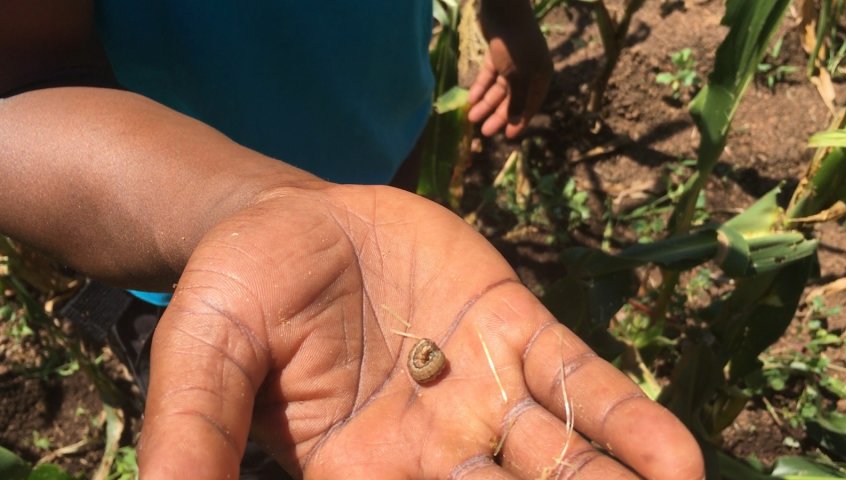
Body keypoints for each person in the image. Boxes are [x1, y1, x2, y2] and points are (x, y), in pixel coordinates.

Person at [0, 1, 705, 478]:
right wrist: (255, 204)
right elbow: (21, 90)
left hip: (387, 148)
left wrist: (504, 10)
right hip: (181, 240)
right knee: (249, 427)